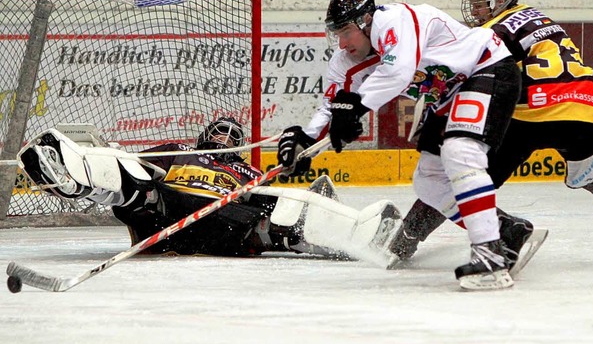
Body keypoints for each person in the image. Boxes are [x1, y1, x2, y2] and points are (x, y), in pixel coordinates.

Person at [279, 0, 529, 290]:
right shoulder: (346, 60)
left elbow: (399, 71)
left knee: (460, 151)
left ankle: (490, 255)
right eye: (336, 34)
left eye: (346, 32)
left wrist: (356, 106)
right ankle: (505, 228)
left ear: (366, 21)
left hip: (487, 67)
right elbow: (332, 105)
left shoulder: (394, 20)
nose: (342, 43)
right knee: (428, 180)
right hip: (449, 94)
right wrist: (304, 142)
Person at [391, 0, 593, 263]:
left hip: (528, 114)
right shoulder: (541, 19)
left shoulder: (491, 31)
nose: (475, 8)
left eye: (481, 1)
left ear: (501, 0)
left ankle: (405, 240)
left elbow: (464, 80)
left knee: (462, 178)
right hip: (585, 111)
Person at [17, 118, 402, 264]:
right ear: (205, 136)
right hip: (165, 213)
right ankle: (74, 176)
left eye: (233, 135)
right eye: (219, 132)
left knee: (285, 211)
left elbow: (269, 199)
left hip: (223, 225)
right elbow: (142, 168)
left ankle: (360, 236)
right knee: (135, 184)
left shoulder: (247, 170)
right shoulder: (179, 151)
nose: (225, 137)